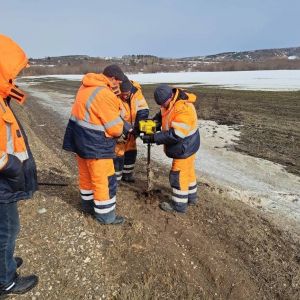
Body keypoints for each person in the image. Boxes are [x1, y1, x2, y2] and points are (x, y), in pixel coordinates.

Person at [62, 65, 130, 225]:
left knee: (86, 175)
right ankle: (106, 216)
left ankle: (87, 206)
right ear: (112, 78)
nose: (118, 85)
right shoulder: (104, 94)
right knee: (104, 180)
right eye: (117, 82)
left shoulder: (86, 86)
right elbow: (115, 129)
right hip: (97, 144)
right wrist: (120, 111)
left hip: (80, 139)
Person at [0, 34, 38, 295]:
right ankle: (6, 280)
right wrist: (13, 167)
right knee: (7, 230)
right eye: (15, 71)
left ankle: (5, 264)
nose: (18, 76)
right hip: (2, 184)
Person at [142, 84, 200, 213]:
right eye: (160, 104)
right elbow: (162, 114)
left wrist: (154, 138)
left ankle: (179, 206)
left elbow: (176, 134)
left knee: (178, 175)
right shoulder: (169, 103)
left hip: (185, 147)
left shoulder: (183, 108)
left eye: (163, 103)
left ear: (171, 96)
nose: (162, 106)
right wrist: (153, 123)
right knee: (188, 172)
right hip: (189, 145)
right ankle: (191, 197)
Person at [114, 77, 149, 182]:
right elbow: (114, 116)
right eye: (123, 94)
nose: (125, 96)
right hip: (120, 130)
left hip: (132, 131)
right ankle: (115, 178)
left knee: (131, 151)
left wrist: (138, 127)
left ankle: (127, 174)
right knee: (118, 153)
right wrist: (126, 129)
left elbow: (143, 109)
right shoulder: (113, 94)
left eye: (127, 93)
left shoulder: (137, 92)